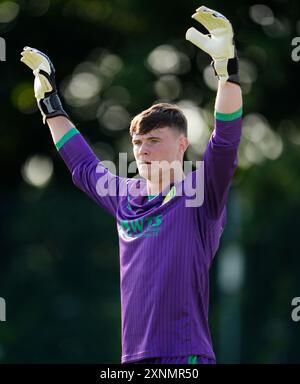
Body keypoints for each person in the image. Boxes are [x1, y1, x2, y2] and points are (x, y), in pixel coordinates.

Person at [20, 5, 242, 364]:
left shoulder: (200, 195)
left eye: (154, 140)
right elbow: (83, 165)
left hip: (185, 359)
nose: (142, 150)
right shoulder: (125, 196)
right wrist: (50, 105)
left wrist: (227, 73)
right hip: (131, 361)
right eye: (138, 143)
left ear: (182, 144)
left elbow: (226, 143)